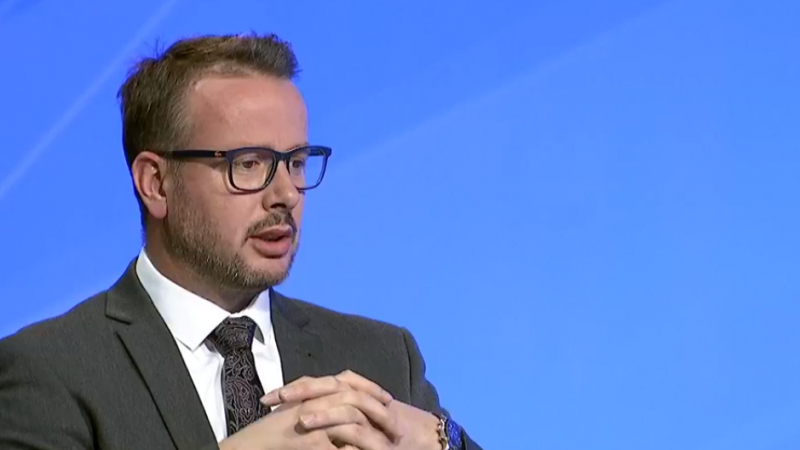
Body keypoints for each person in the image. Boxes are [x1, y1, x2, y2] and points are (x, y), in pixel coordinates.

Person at [0, 33, 483, 450]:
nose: (286, 194)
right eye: (249, 164)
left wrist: (445, 441)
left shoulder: (381, 358)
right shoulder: (51, 370)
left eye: (296, 162)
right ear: (156, 184)